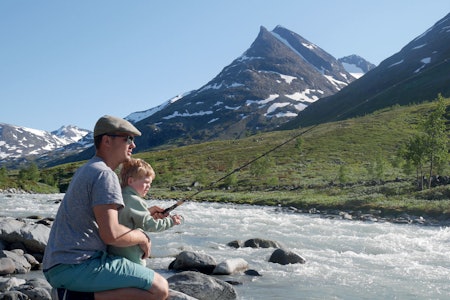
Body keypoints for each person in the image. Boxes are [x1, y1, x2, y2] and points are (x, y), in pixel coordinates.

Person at [43, 115, 169, 300]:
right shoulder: (105, 175)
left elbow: (105, 218)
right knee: (159, 288)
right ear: (107, 140)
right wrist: (142, 237)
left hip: (58, 265)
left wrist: (145, 213)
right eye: (127, 138)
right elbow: (112, 234)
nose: (133, 145)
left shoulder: (88, 168)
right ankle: (72, 296)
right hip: (78, 265)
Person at [108, 158, 182, 265]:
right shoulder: (135, 200)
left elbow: (127, 217)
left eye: (150, 183)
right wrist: (171, 221)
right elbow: (150, 225)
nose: (149, 187)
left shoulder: (118, 196)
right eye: (146, 182)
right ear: (130, 181)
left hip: (113, 254)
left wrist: (147, 212)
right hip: (132, 257)